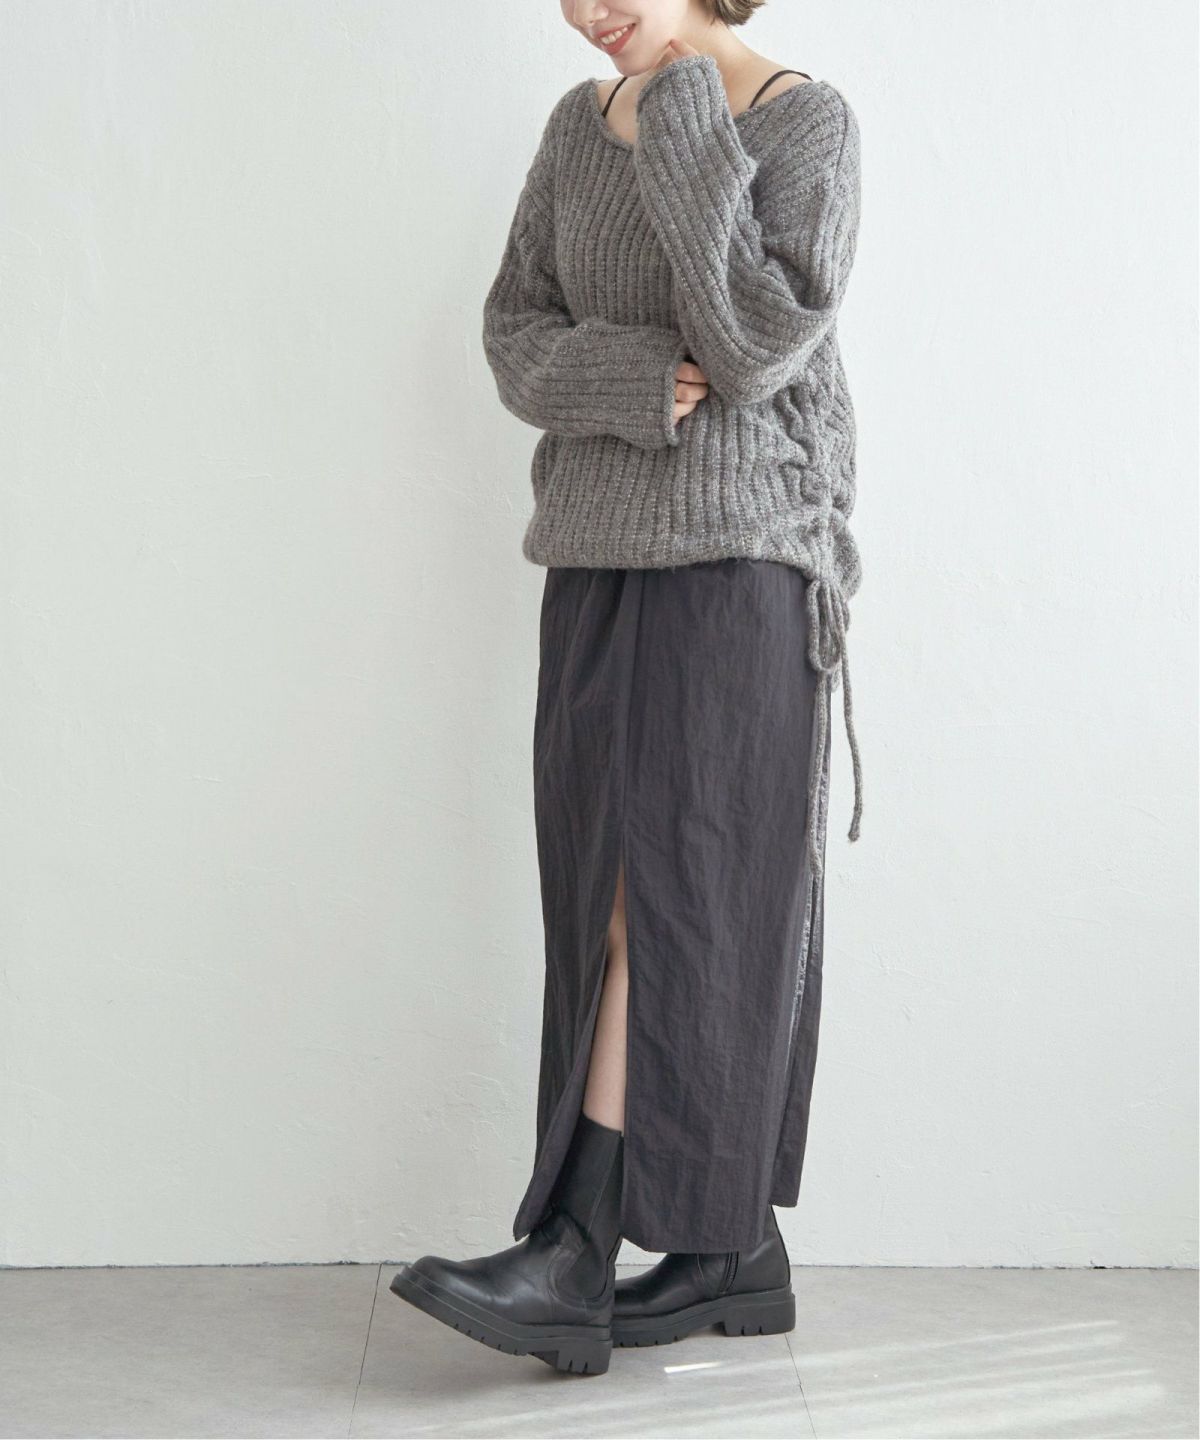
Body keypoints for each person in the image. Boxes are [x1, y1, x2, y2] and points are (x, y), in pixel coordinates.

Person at [392, 0, 863, 1376]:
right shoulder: (572, 127)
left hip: (744, 553)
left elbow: (759, 340)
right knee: (599, 884)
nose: (586, 9)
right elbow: (513, 330)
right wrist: (632, 377)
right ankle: (730, 1250)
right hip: (596, 549)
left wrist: (686, 114)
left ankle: (575, 1245)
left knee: (666, 895)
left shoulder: (804, 123)